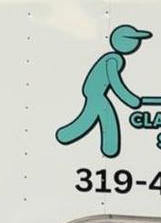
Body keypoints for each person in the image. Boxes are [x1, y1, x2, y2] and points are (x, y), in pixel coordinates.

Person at [56, 25, 151, 158]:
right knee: (104, 118)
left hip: (94, 93)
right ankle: (107, 148)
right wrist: (130, 100)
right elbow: (115, 82)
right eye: (135, 40)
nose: (137, 44)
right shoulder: (113, 59)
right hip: (95, 93)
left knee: (94, 118)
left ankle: (66, 135)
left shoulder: (113, 58)